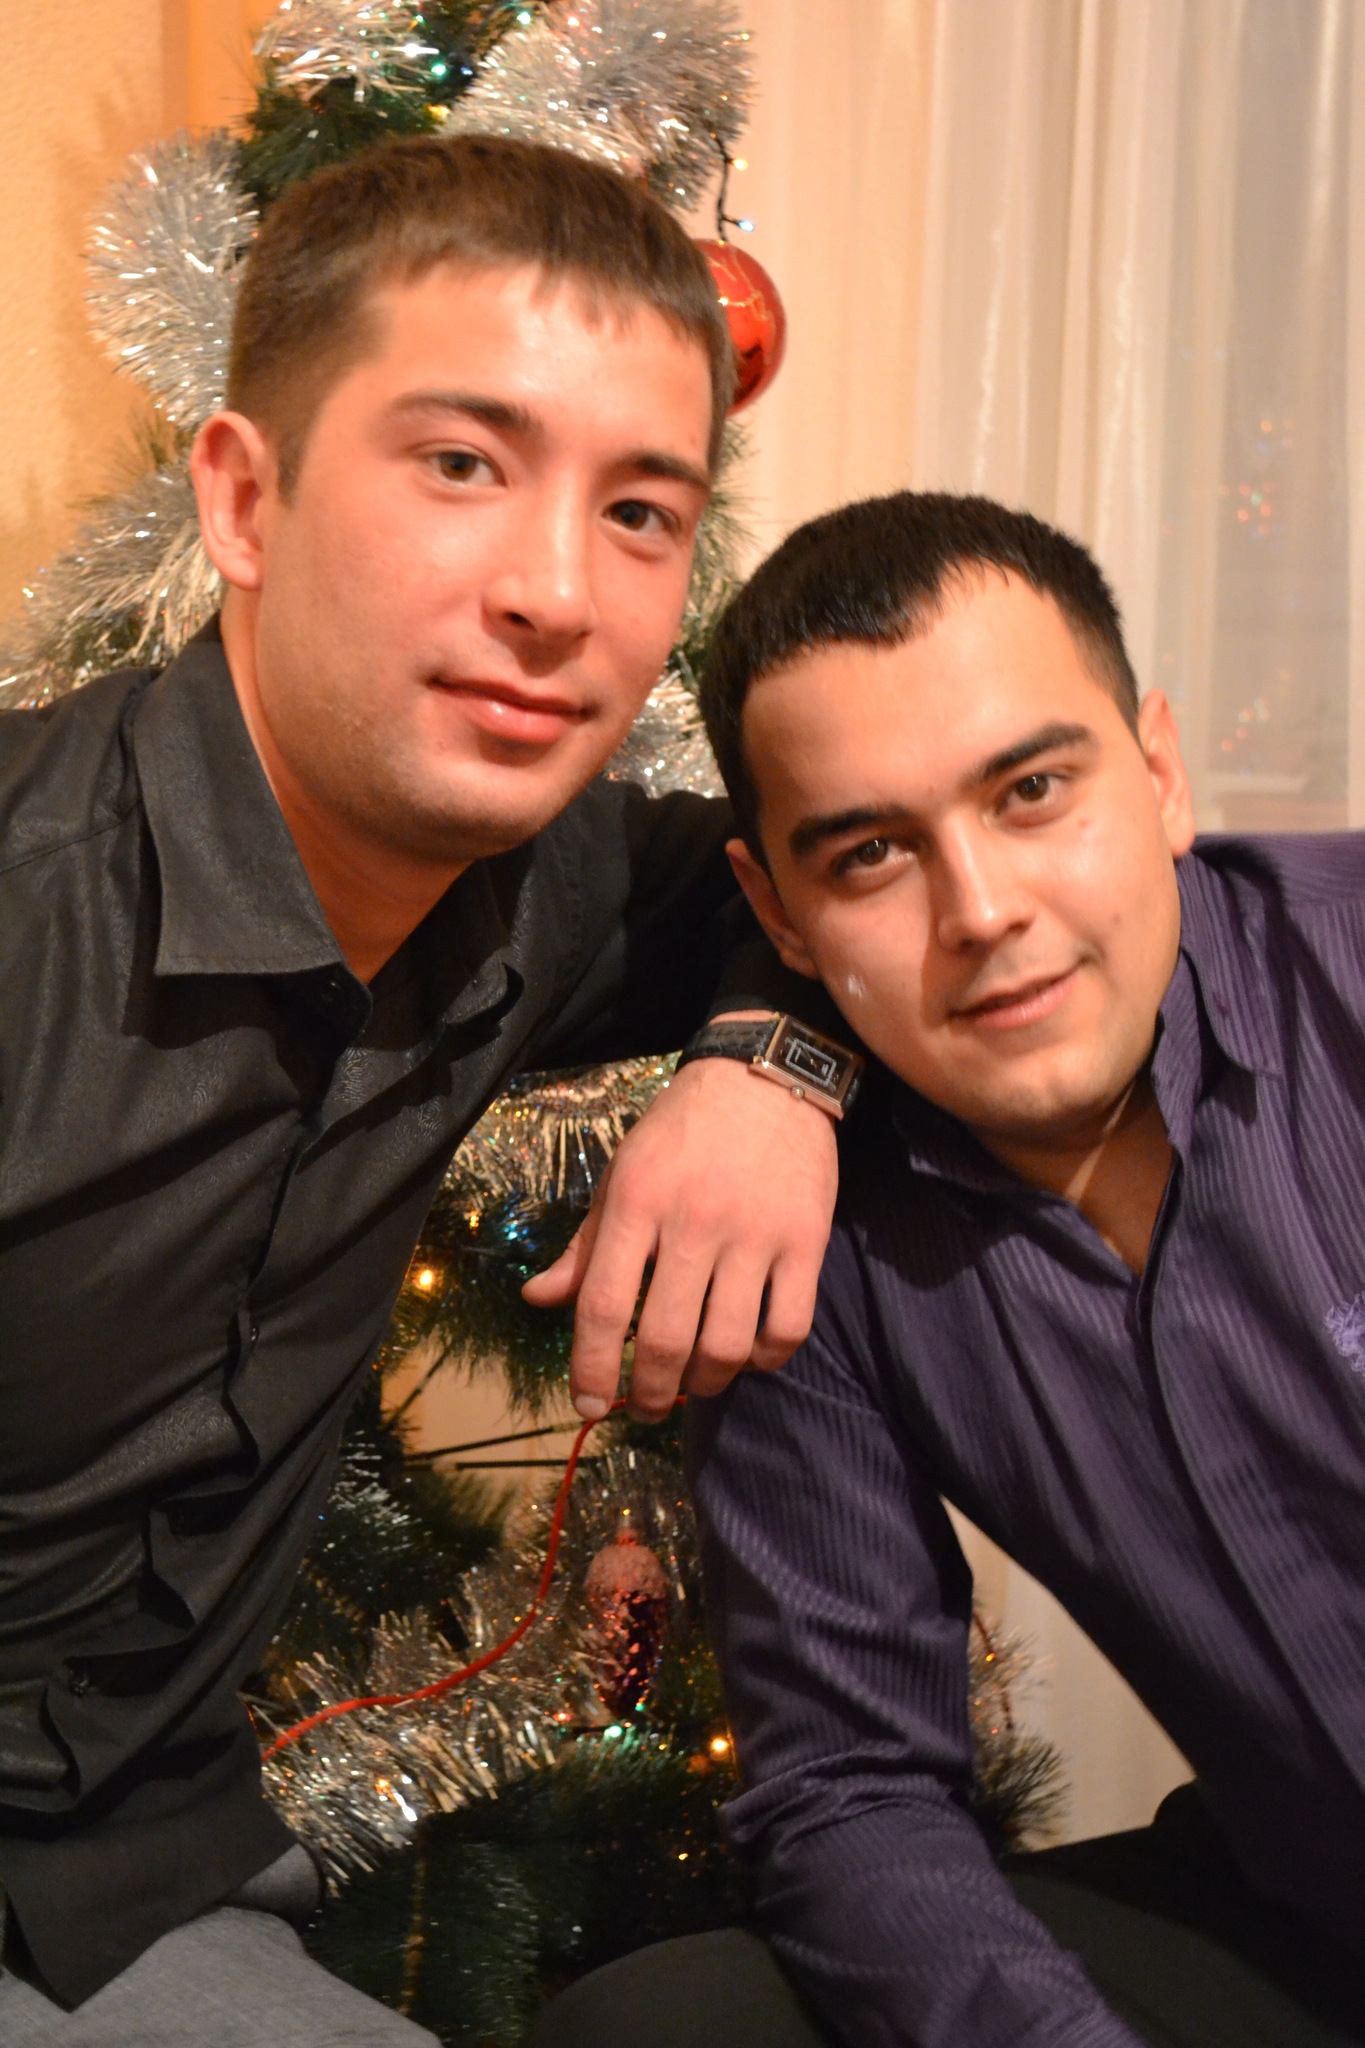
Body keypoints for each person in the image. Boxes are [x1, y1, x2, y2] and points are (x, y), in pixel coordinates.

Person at [0, 137, 851, 2044]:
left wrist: (769, 1072)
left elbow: (859, 881)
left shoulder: (541, 882)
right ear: (245, 498)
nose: (558, 594)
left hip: (130, 1886)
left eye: (640, 511)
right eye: (463, 463)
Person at [532, 492, 1365, 2048]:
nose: (982, 913)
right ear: (777, 914)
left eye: (1032, 790)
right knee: (670, 2025)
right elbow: (849, 1789)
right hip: (1312, 1920)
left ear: (1160, 772)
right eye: (870, 854)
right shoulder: (803, 1230)